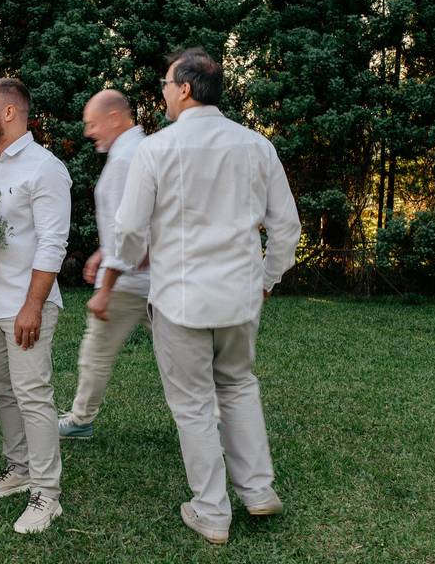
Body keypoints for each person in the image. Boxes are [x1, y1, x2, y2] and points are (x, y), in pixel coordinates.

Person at [115, 47, 301, 544]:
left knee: (194, 404)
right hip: (241, 295)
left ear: (185, 89)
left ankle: (212, 512)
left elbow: (130, 229)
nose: (162, 93)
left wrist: (129, 261)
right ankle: (259, 490)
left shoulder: (156, 149)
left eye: (165, 84)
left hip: (180, 298)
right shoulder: (256, 146)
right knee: (238, 384)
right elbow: (287, 226)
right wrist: (267, 278)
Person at [0, 78, 71, 534]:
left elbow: (53, 242)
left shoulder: (45, 168)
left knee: (33, 395)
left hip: (24, 304)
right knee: (3, 391)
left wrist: (34, 303)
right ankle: (19, 468)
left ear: (8, 113)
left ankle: (47, 493)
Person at [58, 90, 151, 440]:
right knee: (184, 353)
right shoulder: (137, 150)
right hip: (150, 276)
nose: (88, 132)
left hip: (129, 280)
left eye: (92, 124)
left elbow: (133, 229)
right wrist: (104, 249)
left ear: (115, 117)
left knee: (95, 351)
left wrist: (106, 287)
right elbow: (132, 221)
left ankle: (81, 419)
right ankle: (218, 415)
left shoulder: (128, 158)